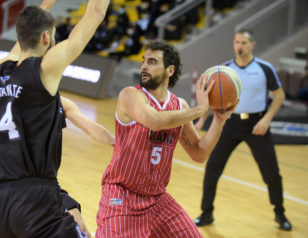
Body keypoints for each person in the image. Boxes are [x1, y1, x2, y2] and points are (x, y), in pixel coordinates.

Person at [0, 0, 117, 237]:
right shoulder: (44, 69)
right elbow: (96, 14)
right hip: (34, 198)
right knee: (81, 227)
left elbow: (26, 29)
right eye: (52, 34)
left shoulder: (1, 69)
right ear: (47, 38)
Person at [95, 40, 236, 238]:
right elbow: (154, 121)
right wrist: (201, 110)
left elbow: (199, 153)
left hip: (157, 199)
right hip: (122, 194)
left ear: (170, 70)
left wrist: (219, 121)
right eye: (144, 61)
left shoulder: (179, 105)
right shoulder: (130, 95)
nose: (144, 66)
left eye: (152, 62)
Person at [0, 96, 115, 238]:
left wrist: (117, 142)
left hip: (36, 186)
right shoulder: (14, 96)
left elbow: (92, 128)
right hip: (19, 186)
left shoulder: (60, 102)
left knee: (79, 224)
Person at [193, 29, 292, 231]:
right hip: (230, 124)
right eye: (237, 42)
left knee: (272, 173)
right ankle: (206, 213)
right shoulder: (224, 70)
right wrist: (202, 120)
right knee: (212, 168)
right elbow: (210, 97)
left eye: (244, 42)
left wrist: (266, 119)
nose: (240, 46)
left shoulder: (265, 68)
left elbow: (279, 96)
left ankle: (280, 213)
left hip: (257, 125)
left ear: (252, 45)